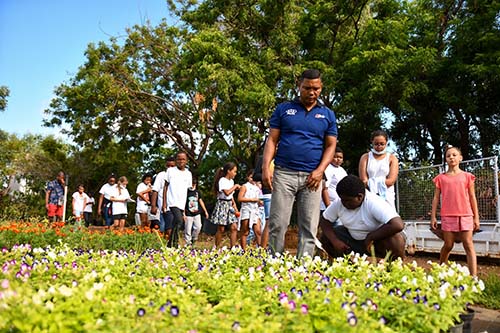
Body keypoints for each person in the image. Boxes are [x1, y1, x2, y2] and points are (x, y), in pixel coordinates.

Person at [262, 69, 338, 258]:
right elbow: (272, 140)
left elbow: (331, 146)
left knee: (309, 226)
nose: (312, 92)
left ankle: (303, 269)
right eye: (307, 88)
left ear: (321, 88)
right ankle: (274, 263)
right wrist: (265, 167)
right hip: (284, 174)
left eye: (316, 88)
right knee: (278, 223)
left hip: (312, 177)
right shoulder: (283, 109)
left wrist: (320, 171)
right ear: (299, 86)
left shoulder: (327, 115)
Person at [319, 175, 406, 259]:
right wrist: (335, 241)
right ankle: (349, 264)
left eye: (347, 201)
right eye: (342, 199)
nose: (344, 203)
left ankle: (390, 266)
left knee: (396, 239)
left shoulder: (373, 202)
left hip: (375, 243)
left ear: (360, 197)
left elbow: (397, 224)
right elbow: (324, 220)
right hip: (354, 241)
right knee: (326, 237)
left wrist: (371, 237)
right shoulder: (340, 202)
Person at [430, 146, 480, 276]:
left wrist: (476, 217)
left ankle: (473, 277)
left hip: (466, 215)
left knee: (468, 245)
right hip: (447, 216)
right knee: (448, 245)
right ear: (446, 159)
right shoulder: (440, 178)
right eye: (448, 156)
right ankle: (441, 269)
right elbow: (436, 198)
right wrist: (433, 217)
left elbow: (472, 197)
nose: (451, 157)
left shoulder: (467, 176)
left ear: (460, 158)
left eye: (454, 155)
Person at [358, 130, 399, 209]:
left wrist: (376, 184)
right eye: (376, 144)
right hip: (369, 193)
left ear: (386, 143)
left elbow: (391, 180)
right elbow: (363, 179)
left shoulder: (392, 158)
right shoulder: (365, 157)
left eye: (382, 144)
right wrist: (371, 186)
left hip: (387, 194)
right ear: (372, 142)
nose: (379, 146)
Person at [164, 152, 192, 248]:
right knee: (179, 221)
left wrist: (185, 208)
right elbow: (165, 187)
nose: (181, 161)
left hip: (181, 203)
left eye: (183, 159)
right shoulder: (170, 171)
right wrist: (164, 203)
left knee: (176, 223)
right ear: (176, 160)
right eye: (179, 159)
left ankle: (170, 245)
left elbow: (188, 191)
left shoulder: (188, 174)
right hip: (172, 202)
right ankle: (174, 244)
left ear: (186, 161)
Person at [211, 162, 241, 248]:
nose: (235, 173)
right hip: (222, 204)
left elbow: (230, 196)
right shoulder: (222, 180)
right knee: (221, 228)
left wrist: (235, 206)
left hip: (229, 204)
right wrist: (235, 187)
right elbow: (227, 193)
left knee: (234, 227)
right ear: (229, 171)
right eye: (234, 171)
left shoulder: (231, 181)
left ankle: (233, 247)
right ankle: (216, 246)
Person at [150, 157, 176, 238]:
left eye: (172, 166)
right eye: (168, 166)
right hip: (165, 207)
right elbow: (155, 190)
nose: (170, 168)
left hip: (176, 206)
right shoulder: (161, 175)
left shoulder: (178, 176)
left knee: (172, 228)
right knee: (166, 228)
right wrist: (153, 206)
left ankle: (170, 245)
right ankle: (167, 246)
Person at [238, 169, 263, 250]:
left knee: (258, 231)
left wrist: (259, 201)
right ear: (248, 177)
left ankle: (260, 249)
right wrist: (252, 200)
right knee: (245, 231)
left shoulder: (257, 187)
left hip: (255, 210)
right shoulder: (245, 186)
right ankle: (244, 250)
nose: (252, 179)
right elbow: (240, 198)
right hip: (246, 210)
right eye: (251, 177)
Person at [321, 146, 347, 214]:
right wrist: (329, 207)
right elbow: (324, 189)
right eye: (335, 157)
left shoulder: (342, 170)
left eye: (340, 157)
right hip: (327, 206)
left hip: (339, 206)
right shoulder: (328, 169)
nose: (338, 159)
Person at [184, 177, 209, 247]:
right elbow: (183, 202)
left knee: (198, 227)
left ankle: (194, 239)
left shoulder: (197, 192)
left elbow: (201, 201)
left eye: (193, 184)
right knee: (187, 229)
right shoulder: (186, 192)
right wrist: (183, 213)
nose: (192, 186)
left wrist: (205, 211)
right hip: (188, 213)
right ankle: (187, 244)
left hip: (197, 213)